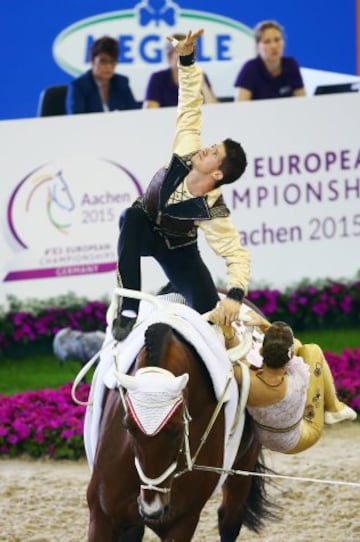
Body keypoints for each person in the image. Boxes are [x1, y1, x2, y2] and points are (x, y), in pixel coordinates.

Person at [112, 29, 250, 342]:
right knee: (129, 217)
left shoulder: (212, 208)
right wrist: (186, 59)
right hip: (144, 228)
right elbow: (190, 102)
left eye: (214, 153)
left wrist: (235, 295)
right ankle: (129, 308)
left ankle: (174, 290)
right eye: (211, 145)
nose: (206, 149)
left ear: (217, 175)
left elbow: (236, 253)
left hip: (180, 252)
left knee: (212, 323)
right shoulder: (186, 147)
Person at [232, 318, 357, 454]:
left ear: (262, 351)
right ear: (290, 354)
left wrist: (228, 332)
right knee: (312, 349)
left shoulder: (245, 377)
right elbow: (296, 345)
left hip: (264, 437)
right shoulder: (300, 375)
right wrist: (267, 327)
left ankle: (336, 408)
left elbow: (237, 353)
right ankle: (334, 407)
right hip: (298, 439)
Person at [234, 20, 306, 101]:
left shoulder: (290, 65)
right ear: (258, 47)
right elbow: (240, 107)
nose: (273, 46)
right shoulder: (250, 69)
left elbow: (302, 101)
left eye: (277, 40)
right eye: (267, 42)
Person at [66, 36, 139, 114]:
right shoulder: (79, 86)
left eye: (112, 61)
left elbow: (133, 114)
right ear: (93, 61)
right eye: (103, 61)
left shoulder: (122, 83)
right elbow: (76, 120)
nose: (109, 66)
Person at [143, 33, 218, 108]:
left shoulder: (200, 75)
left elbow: (214, 109)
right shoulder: (158, 78)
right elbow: (150, 111)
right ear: (169, 55)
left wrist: (203, 84)